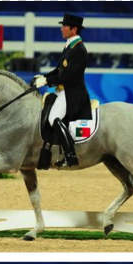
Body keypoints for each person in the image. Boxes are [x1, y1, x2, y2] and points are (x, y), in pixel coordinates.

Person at [32, 13, 89, 168]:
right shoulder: (70, 46)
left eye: (65, 26)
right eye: (62, 25)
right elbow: (59, 70)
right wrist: (44, 77)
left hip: (72, 92)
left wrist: (47, 81)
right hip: (62, 90)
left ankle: (71, 155)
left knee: (54, 117)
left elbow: (67, 76)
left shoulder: (78, 50)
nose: (62, 29)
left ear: (74, 29)